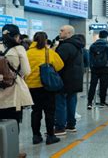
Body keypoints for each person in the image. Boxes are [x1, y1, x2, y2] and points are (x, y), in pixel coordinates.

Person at [0, 24, 33, 158]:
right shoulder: (19, 49)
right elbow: (26, 71)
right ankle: (11, 150)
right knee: (13, 121)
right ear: (17, 36)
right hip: (12, 90)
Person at [25, 31, 64, 145]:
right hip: (47, 86)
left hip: (32, 87)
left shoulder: (27, 53)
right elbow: (60, 65)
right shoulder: (49, 52)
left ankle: (36, 136)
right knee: (49, 112)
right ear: (46, 40)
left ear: (34, 40)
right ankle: (50, 136)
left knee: (36, 111)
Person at [54, 25, 85, 136]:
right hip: (75, 78)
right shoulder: (78, 45)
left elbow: (58, 63)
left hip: (64, 78)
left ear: (68, 33)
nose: (60, 32)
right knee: (71, 101)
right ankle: (71, 125)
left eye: (62, 30)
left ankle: (60, 127)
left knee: (60, 102)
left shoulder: (65, 46)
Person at [87, 30, 108, 109]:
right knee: (103, 85)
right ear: (106, 36)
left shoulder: (92, 45)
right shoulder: (107, 45)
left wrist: (92, 66)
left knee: (93, 85)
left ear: (99, 36)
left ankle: (89, 102)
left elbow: (89, 58)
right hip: (105, 68)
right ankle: (102, 102)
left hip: (94, 68)